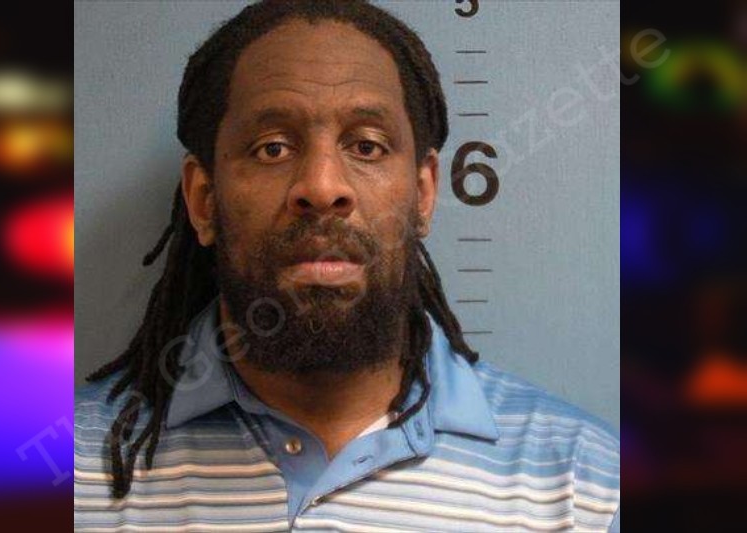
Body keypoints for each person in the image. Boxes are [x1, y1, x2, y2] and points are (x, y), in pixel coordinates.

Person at [74, 1, 620, 530]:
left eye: (367, 146)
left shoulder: (586, 492)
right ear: (203, 200)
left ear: (424, 194)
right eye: (272, 148)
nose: (321, 187)